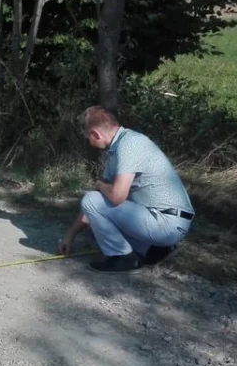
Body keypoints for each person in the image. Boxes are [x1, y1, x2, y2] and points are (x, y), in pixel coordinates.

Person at [58, 106, 195, 273]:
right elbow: (96, 205)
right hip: (164, 220)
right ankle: (153, 251)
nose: (89, 143)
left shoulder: (130, 145)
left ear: (95, 134)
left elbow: (115, 197)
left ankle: (123, 258)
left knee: (91, 200)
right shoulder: (119, 147)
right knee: (95, 226)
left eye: (88, 139)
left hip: (167, 222)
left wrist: (100, 184)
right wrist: (70, 235)